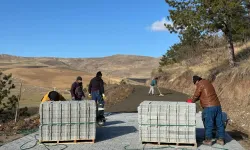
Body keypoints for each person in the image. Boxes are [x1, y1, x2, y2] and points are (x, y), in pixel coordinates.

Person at [190, 75, 225, 146]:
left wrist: (191, 101)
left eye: (195, 83)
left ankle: (208, 140)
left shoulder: (200, 83)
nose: (196, 85)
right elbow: (205, 94)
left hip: (209, 107)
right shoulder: (208, 82)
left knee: (208, 123)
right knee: (219, 123)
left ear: (196, 81)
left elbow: (197, 94)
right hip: (217, 106)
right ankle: (221, 140)